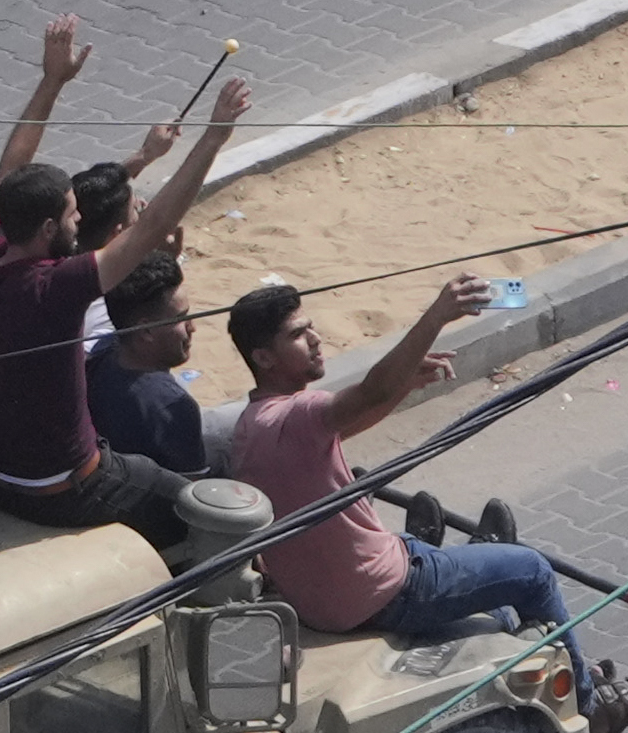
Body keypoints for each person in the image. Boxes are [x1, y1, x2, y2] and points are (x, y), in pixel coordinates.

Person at [0, 34, 252, 558]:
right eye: (72, 214)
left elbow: (11, 163)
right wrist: (214, 137)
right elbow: (154, 222)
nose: (82, 218)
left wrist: (53, 81)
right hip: (64, 487)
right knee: (208, 509)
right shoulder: (54, 288)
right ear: (47, 229)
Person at [223, 276, 575, 644]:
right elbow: (372, 391)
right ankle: (589, 696)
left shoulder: (255, 424)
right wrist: (437, 316)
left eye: (311, 328)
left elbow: (357, 414)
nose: (315, 340)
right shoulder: (300, 414)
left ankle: (482, 576)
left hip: (325, 604)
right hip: (384, 593)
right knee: (532, 569)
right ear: (263, 358)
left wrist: (404, 382)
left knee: (448, 565)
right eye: (297, 335)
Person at [86, 262, 207, 474]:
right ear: (146, 331)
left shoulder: (98, 354)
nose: (193, 328)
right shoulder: (172, 406)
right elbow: (191, 493)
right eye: (181, 318)